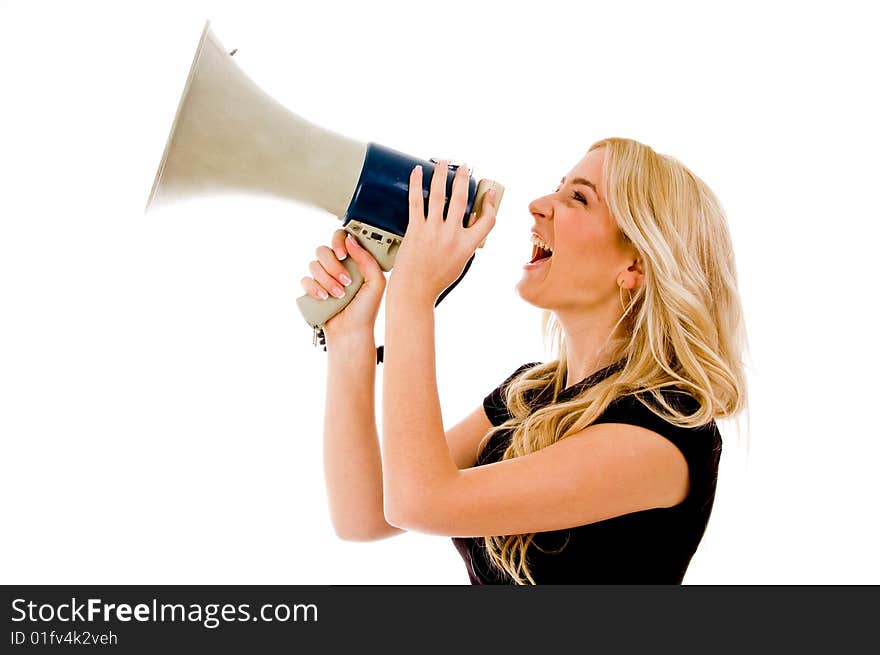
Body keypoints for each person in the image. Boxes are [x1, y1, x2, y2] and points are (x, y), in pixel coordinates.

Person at [300, 137, 748, 584]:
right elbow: (365, 514)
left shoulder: (663, 431)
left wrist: (414, 292)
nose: (538, 205)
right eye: (558, 187)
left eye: (578, 197)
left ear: (636, 265)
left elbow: (420, 501)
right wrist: (350, 337)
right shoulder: (530, 395)